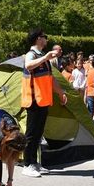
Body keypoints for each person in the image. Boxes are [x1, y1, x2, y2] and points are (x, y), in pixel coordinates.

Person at [21, 29, 67, 178]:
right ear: (37, 39)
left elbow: (51, 78)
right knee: (31, 134)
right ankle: (27, 164)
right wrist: (45, 57)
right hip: (33, 99)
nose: (46, 39)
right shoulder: (32, 54)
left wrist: (61, 93)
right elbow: (28, 65)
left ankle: (34, 163)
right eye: (44, 37)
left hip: (43, 100)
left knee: (38, 134)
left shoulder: (42, 57)